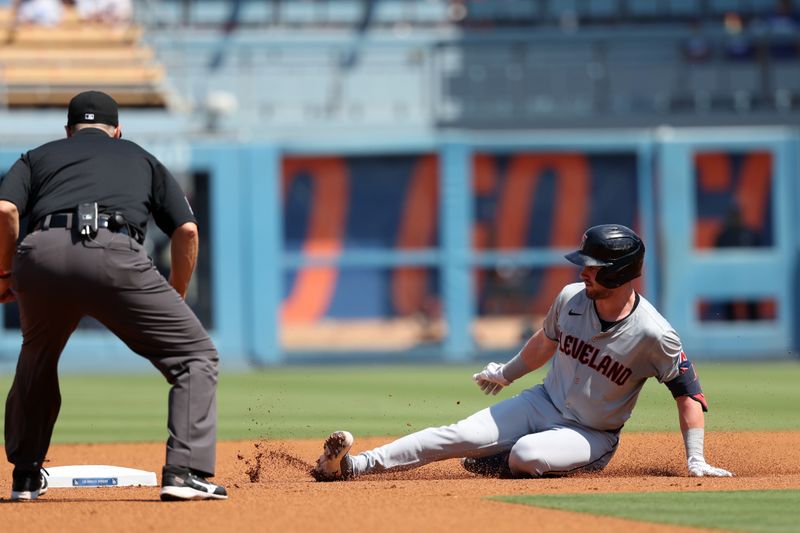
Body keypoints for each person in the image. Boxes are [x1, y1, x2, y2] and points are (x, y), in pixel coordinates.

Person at [312, 224, 733, 481]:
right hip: (542, 402)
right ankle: (352, 467)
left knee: (526, 456)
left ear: (619, 272)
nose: (582, 271)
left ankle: (508, 458)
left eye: (592, 265)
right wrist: (506, 373)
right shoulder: (571, 297)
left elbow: (688, 394)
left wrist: (696, 459)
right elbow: (543, 343)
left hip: (590, 434)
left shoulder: (656, 334)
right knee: (458, 434)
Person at [0, 90, 227, 501]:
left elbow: (5, 211)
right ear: (117, 131)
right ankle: (185, 472)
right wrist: (174, 293)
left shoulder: (36, 156)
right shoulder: (140, 156)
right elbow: (187, 231)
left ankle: (26, 476)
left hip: (42, 255)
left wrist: (6, 271)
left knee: (38, 355)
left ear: (69, 132)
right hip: (113, 252)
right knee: (196, 356)